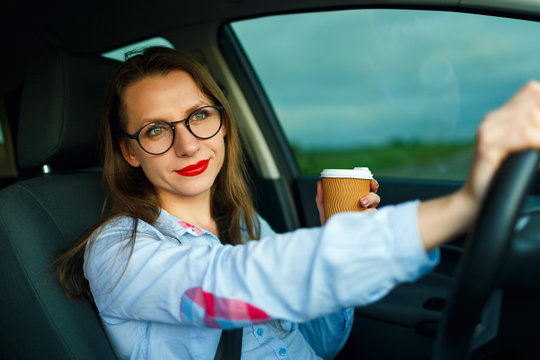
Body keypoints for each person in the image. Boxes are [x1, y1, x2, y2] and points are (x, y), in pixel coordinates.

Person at [55, 46, 540, 359]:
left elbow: (316, 344)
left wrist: (335, 236)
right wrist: (463, 205)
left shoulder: (245, 224)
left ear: (222, 122)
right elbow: (234, 284)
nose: (187, 145)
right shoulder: (118, 251)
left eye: (199, 115)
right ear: (129, 151)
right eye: (157, 130)